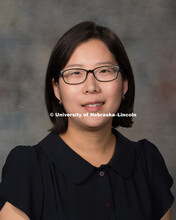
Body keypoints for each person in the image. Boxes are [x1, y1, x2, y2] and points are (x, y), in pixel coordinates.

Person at [0, 21, 174, 220]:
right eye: (75, 73)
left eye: (104, 71)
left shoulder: (147, 162)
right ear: (56, 89)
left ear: (124, 85)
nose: (91, 86)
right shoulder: (27, 168)